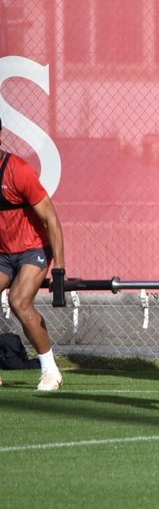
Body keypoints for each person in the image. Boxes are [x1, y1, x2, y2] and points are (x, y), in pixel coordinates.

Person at [0, 117, 65, 391]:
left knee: (19, 300)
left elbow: (51, 219)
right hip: (3, 253)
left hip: (33, 249)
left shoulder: (18, 171)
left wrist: (59, 271)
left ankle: (50, 371)